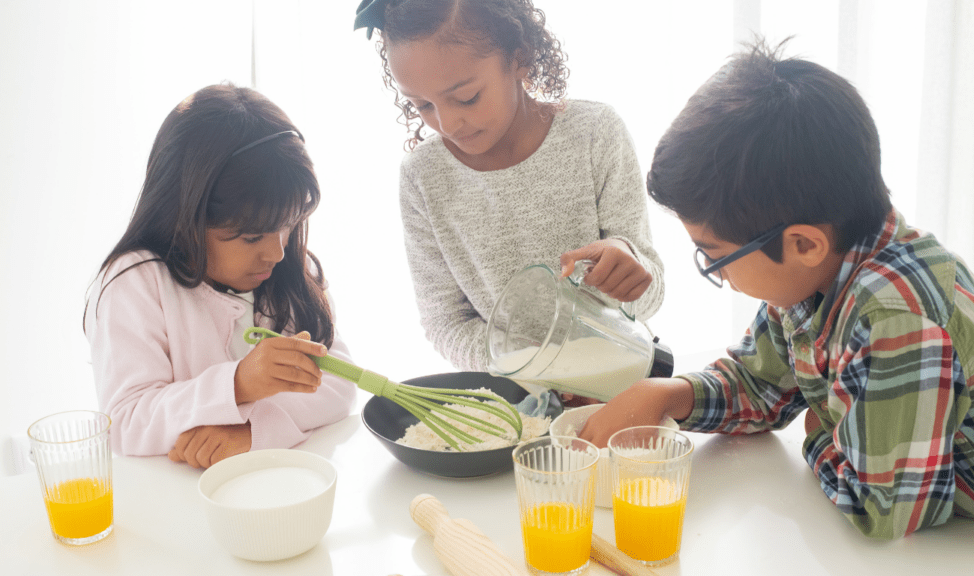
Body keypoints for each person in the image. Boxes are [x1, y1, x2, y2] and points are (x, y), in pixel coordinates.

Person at [579, 39, 974, 539]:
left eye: (715, 256)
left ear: (804, 243)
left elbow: (884, 509)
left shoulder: (898, 319)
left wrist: (819, 430)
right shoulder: (813, 276)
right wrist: (669, 394)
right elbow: (762, 383)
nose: (717, 274)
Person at [353, 0, 665, 373]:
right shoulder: (423, 176)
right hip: (514, 402)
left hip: (620, 382)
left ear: (521, 57)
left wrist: (629, 269)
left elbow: (650, 298)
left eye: (467, 97)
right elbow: (445, 322)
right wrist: (528, 363)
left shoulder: (595, 134)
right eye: (422, 105)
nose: (448, 123)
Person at [84, 84, 356, 469]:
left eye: (290, 225)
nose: (277, 252)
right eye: (252, 237)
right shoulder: (136, 282)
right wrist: (238, 384)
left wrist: (252, 434)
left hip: (278, 487)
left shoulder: (291, 270)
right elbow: (126, 421)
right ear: (186, 219)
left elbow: (339, 384)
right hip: (178, 504)